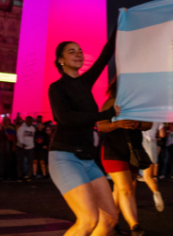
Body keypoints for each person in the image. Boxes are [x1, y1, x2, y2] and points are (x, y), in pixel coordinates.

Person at [48, 37, 118, 236]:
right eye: (71, 51)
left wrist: (122, 21)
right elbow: (66, 118)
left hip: (88, 159)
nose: (78, 54)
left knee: (110, 218)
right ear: (61, 60)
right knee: (88, 219)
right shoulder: (57, 87)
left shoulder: (84, 82)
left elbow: (106, 54)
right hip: (65, 157)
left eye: (79, 50)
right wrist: (105, 114)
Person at [98, 78, 152, 236]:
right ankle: (134, 226)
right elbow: (101, 125)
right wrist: (117, 124)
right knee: (126, 189)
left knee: (121, 190)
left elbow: (149, 124)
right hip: (113, 151)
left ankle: (111, 224)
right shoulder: (111, 102)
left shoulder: (139, 103)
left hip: (133, 152)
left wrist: (138, 124)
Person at [140, 120, 163, 210]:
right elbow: (162, 134)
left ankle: (130, 200)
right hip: (152, 144)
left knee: (132, 177)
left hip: (141, 143)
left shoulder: (140, 114)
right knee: (148, 177)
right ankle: (156, 193)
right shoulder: (157, 117)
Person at [15, 115, 36, 180]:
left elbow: (33, 137)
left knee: (30, 162)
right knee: (20, 162)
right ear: (26, 120)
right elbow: (19, 136)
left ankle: (29, 175)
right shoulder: (22, 128)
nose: (30, 122)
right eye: (29, 121)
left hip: (30, 147)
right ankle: (20, 175)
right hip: (22, 147)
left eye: (31, 121)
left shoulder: (33, 128)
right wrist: (22, 143)